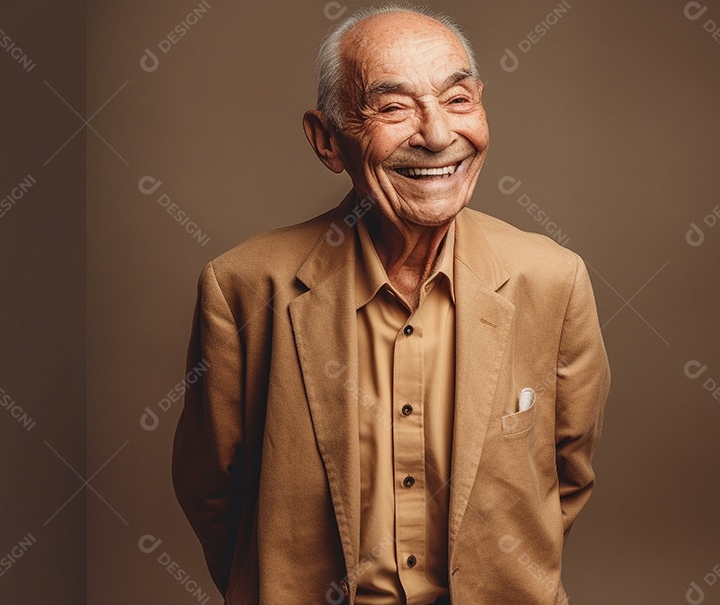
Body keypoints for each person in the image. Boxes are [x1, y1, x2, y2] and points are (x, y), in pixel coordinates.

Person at [172, 4, 610, 604]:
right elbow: (211, 491)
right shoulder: (245, 287)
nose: (436, 136)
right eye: (394, 107)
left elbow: (568, 477)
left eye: (458, 100)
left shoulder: (553, 280)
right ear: (328, 139)